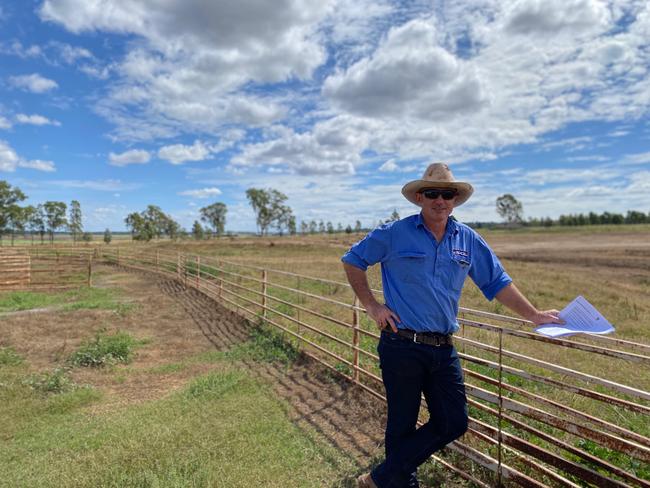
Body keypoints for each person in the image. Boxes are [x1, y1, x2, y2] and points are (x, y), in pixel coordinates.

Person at [341, 163, 563, 488]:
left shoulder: (468, 240)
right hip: (401, 344)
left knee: (454, 421)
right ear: (420, 197)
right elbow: (352, 259)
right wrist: (373, 306)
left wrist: (534, 315)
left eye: (447, 194)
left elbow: (496, 281)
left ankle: (382, 478)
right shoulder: (394, 233)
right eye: (432, 193)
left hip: (442, 348)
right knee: (401, 423)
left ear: (455, 199)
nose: (440, 200)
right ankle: (400, 482)